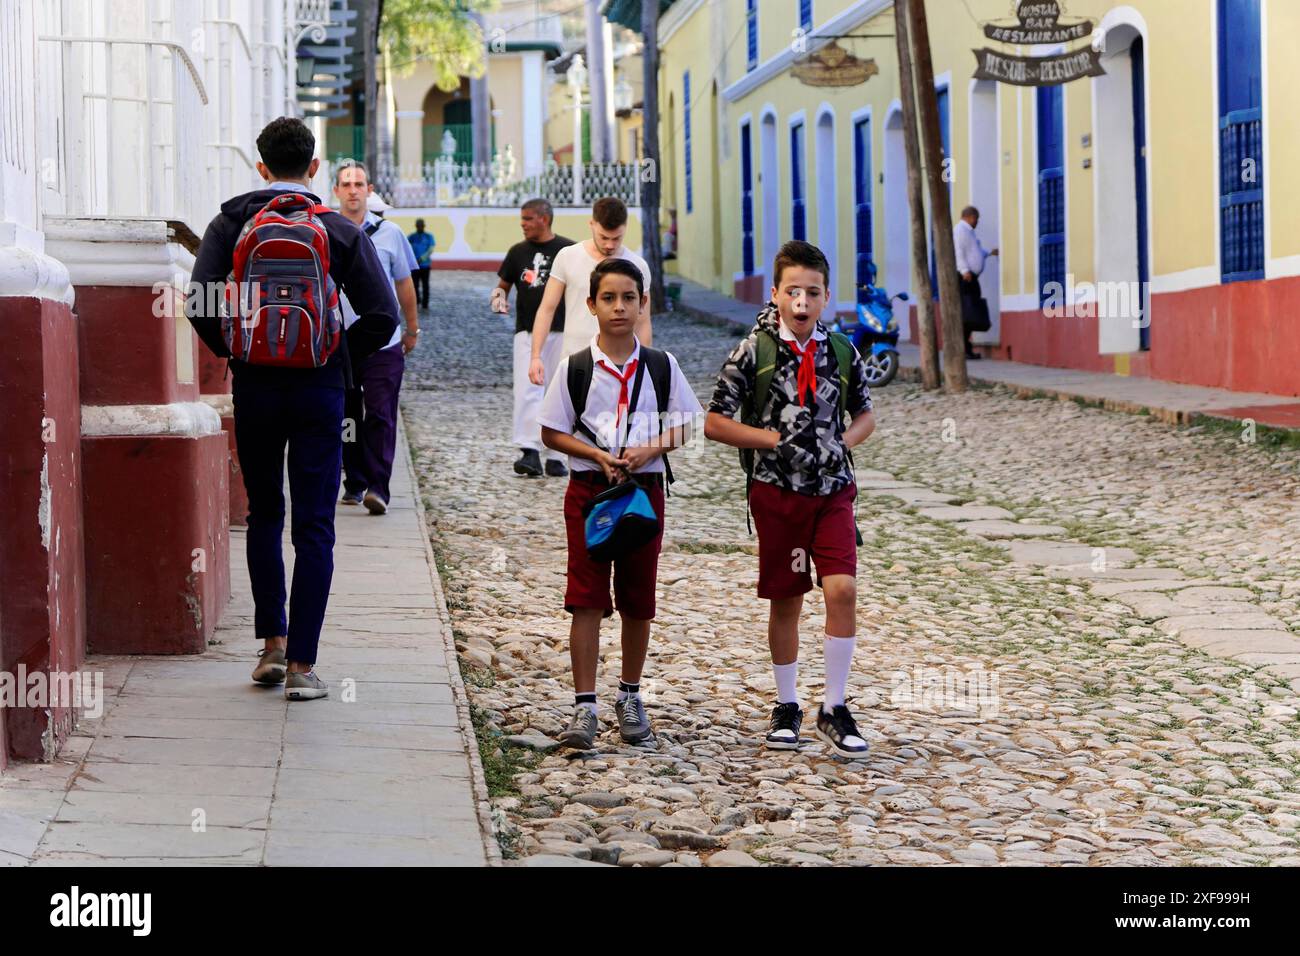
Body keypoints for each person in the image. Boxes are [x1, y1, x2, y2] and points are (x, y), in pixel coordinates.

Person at [188, 117, 399, 700]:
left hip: (255, 386)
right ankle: (304, 666)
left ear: (260, 166)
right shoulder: (337, 229)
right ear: (314, 169)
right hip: (319, 389)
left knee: (263, 513)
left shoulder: (231, 222)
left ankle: (271, 646)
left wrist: (240, 352)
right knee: (315, 522)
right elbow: (382, 317)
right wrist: (334, 357)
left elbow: (198, 302)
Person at [703, 240, 877, 758]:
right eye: (793, 291)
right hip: (777, 493)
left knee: (842, 589)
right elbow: (714, 422)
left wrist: (840, 444)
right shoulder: (753, 352)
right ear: (776, 293)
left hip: (832, 492)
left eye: (813, 292)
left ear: (826, 298)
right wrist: (773, 441)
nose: (803, 302)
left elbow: (865, 413)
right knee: (787, 598)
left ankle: (835, 705)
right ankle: (787, 704)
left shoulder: (841, 352)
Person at [537, 259, 702, 751]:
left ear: (642, 303)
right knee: (586, 597)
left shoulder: (660, 365)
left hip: (644, 492)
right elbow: (551, 431)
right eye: (609, 298)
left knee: (638, 597)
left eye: (629, 297)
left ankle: (630, 695)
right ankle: (584, 705)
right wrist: (594, 454)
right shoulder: (577, 368)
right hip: (590, 493)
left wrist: (650, 448)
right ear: (591, 305)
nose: (619, 307)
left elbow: (688, 424)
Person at [334, 160, 420, 515]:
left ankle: (378, 487)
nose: (353, 190)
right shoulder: (327, 232)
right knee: (347, 416)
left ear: (369, 190)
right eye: (346, 184)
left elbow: (404, 283)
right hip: (341, 342)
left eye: (359, 184)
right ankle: (354, 479)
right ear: (336, 191)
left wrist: (412, 328)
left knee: (381, 414)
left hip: (384, 342)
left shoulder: (390, 234)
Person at [528, 196, 651, 387]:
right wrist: (536, 356)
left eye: (616, 238)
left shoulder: (639, 266)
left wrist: (645, 365)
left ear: (625, 227)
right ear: (592, 224)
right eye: (604, 237)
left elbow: (643, 322)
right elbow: (547, 309)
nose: (610, 244)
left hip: (622, 366)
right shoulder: (568, 257)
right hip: (575, 362)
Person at [492, 198, 574, 478]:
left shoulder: (568, 250)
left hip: (564, 331)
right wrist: (498, 301)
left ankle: (556, 454)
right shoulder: (517, 252)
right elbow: (503, 285)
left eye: (528, 219)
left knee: (559, 391)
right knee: (528, 390)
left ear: (545, 218)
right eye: (522, 219)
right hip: (527, 332)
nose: (523, 224)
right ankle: (529, 451)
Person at [954, 205, 998, 360]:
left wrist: (988, 254)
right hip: (966, 277)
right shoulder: (961, 231)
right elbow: (958, 251)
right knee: (967, 312)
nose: (977, 222)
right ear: (970, 217)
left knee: (971, 312)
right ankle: (964, 349)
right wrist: (964, 270)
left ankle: (967, 348)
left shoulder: (969, 232)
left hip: (971, 277)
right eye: (976, 218)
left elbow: (975, 253)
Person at [407, 217, 434, 309]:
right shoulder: (412, 236)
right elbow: (405, 245)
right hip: (414, 265)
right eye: (418, 226)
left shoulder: (429, 236)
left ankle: (425, 303)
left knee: (425, 285)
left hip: (425, 265)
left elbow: (430, 249)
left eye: (421, 226)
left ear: (423, 226)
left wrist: (422, 258)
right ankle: (417, 300)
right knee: (415, 284)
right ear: (416, 226)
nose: (419, 227)